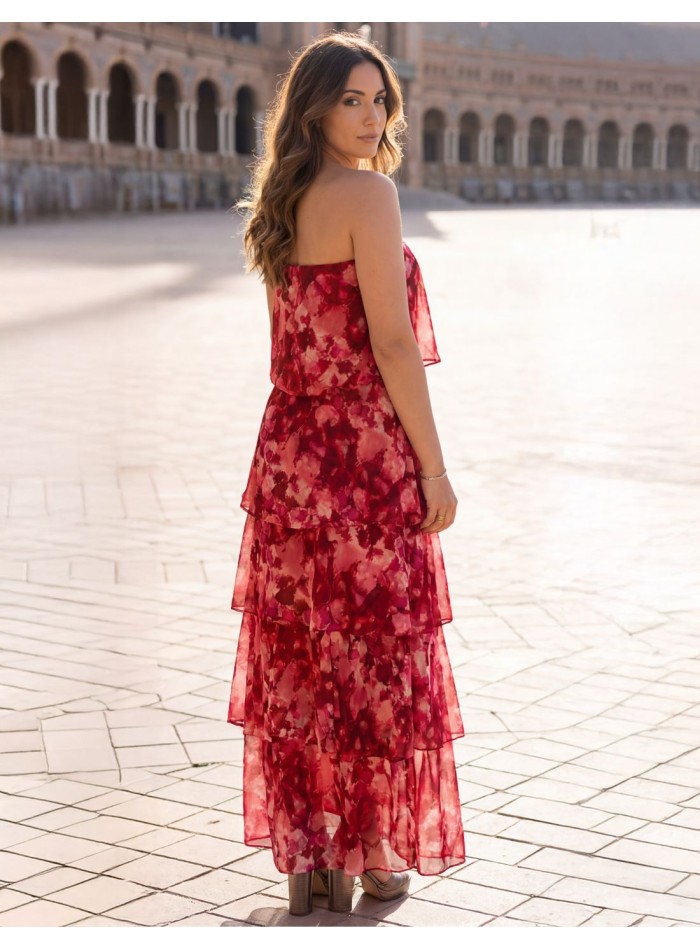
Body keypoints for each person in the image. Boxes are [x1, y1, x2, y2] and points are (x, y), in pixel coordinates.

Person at [228, 31, 466, 918]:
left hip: (290, 454)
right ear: (316, 106)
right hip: (364, 458)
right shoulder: (371, 194)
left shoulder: (278, 200)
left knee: (300, 658)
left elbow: (283, 348)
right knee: (371, 653)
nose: (370, 118)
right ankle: (372, 850)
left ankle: (310, 862)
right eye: (353, 100)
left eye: (380, 101)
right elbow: (394, 344)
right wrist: (433, 469)